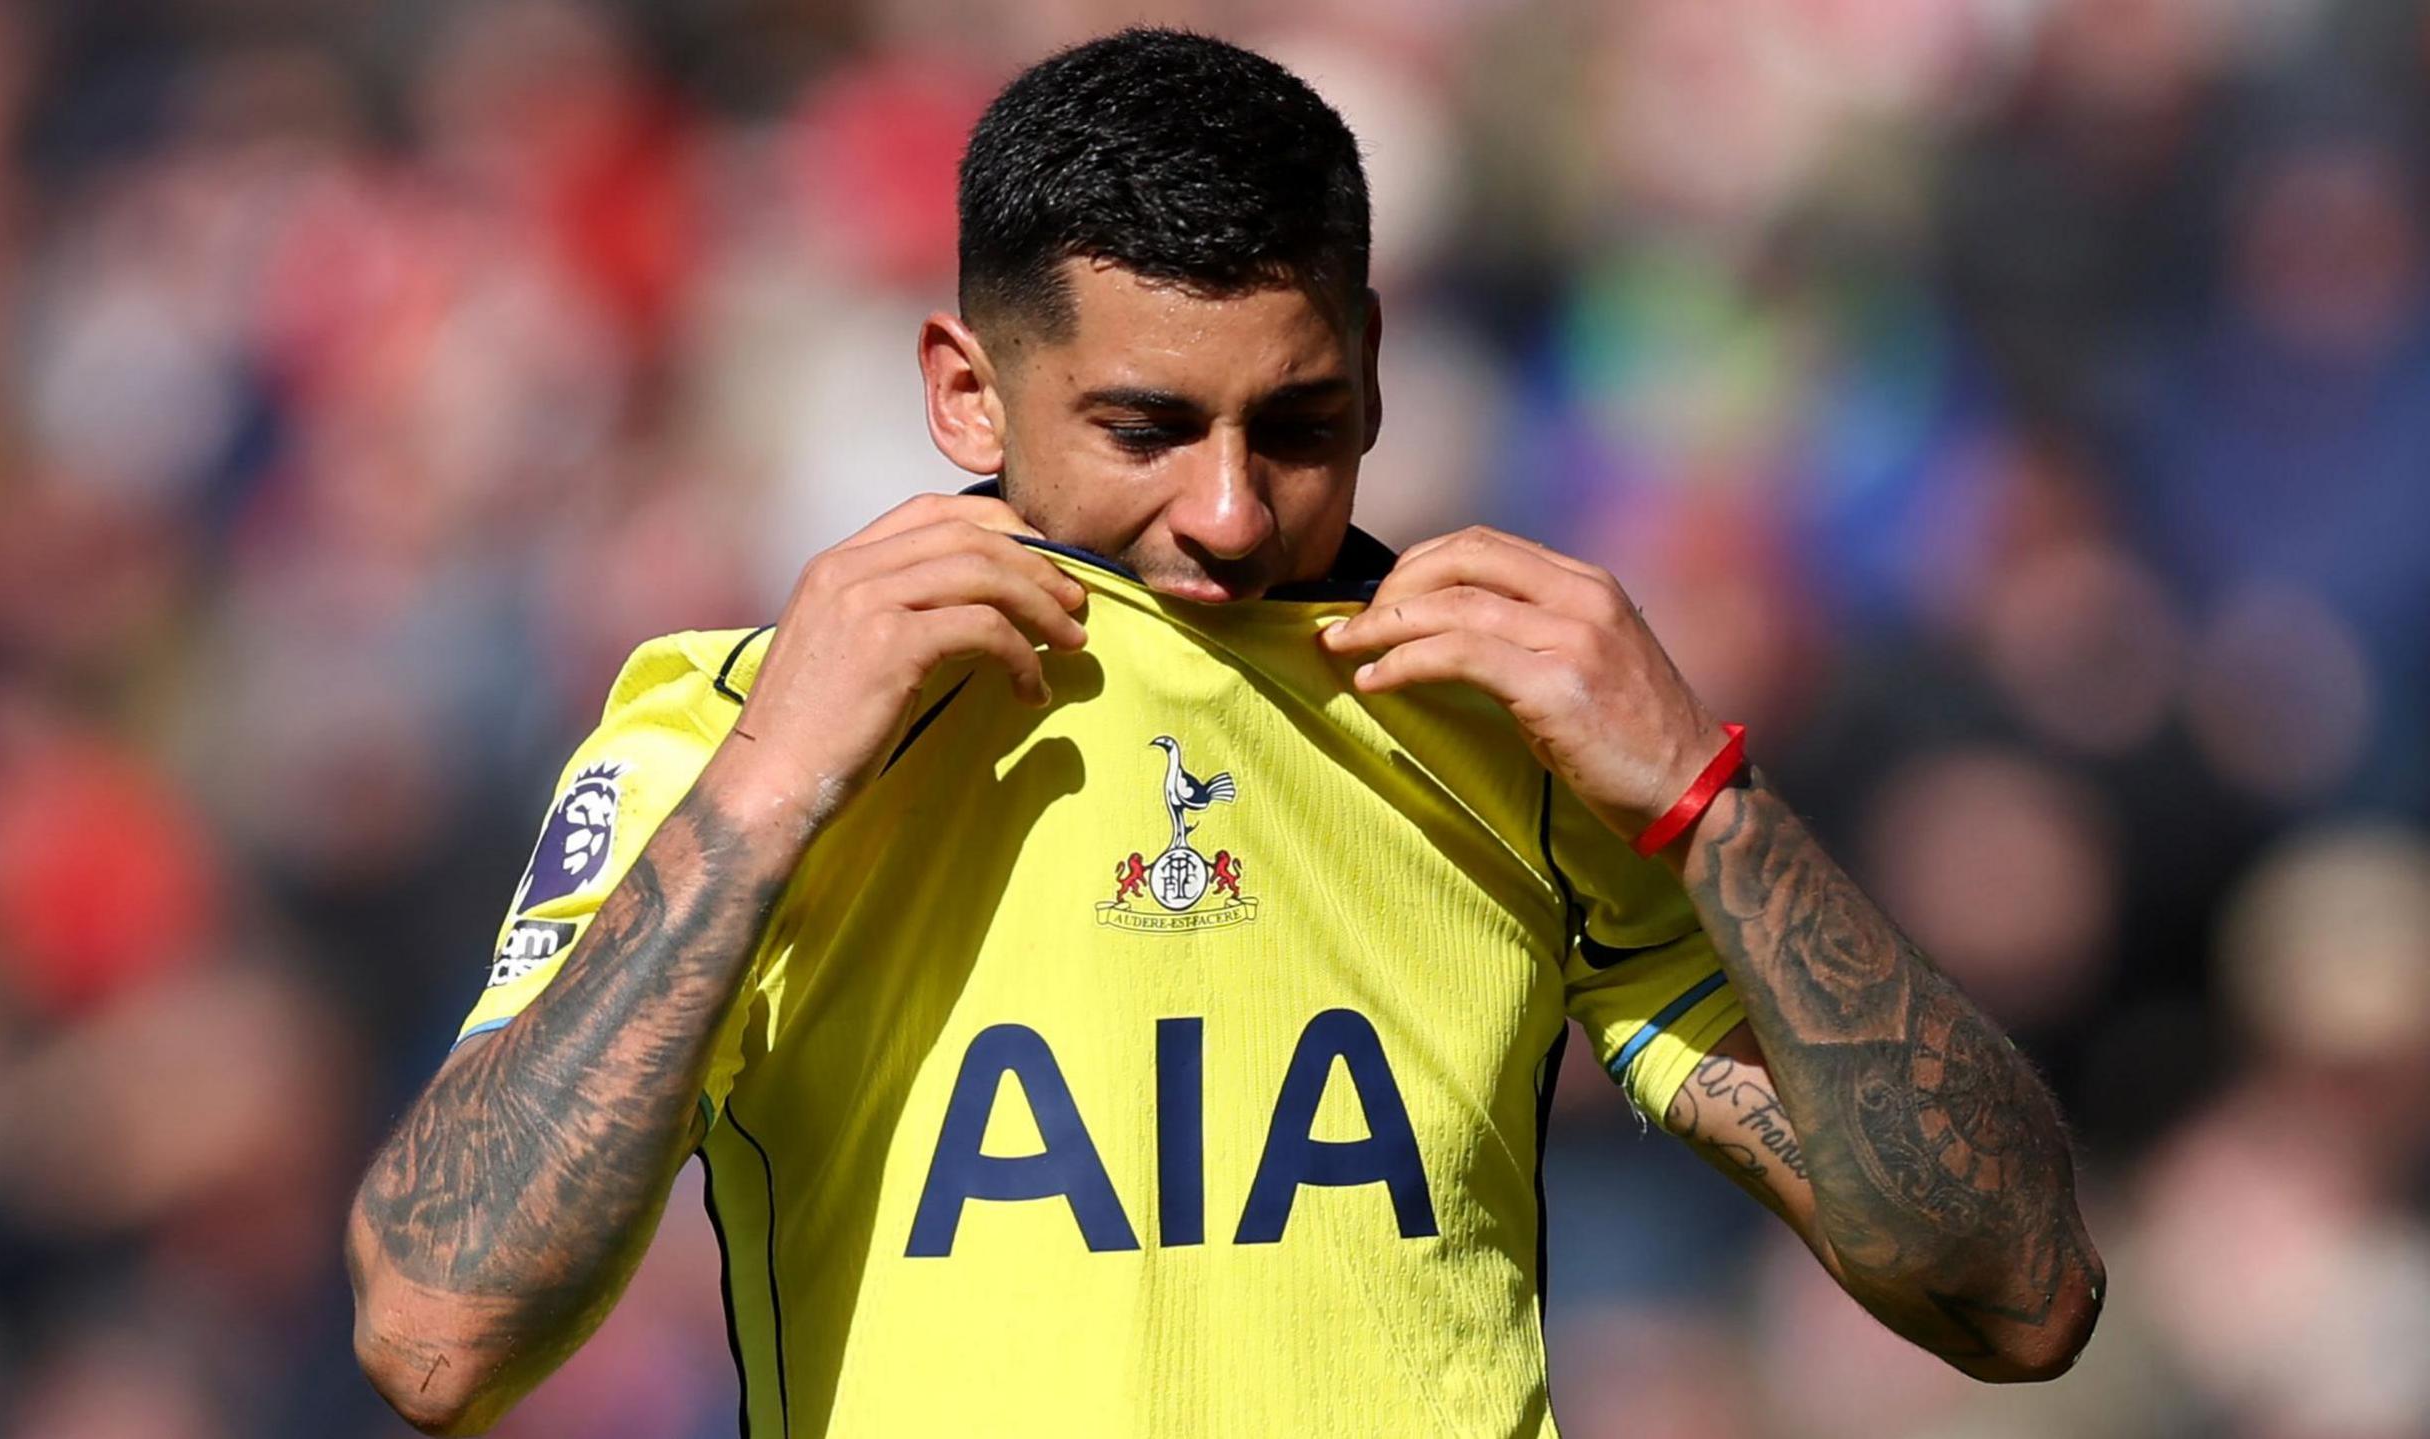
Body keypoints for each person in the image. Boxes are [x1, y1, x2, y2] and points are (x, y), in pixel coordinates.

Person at [347, 27, 2102, 1438]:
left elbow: (2014, 1295)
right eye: (1147, 426)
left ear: (1378, 360)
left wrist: (1711, 808)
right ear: (966, 386)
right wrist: (767, 795)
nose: (1234, 511)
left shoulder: (1502, 723)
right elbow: (438, 1336)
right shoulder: (733, 740)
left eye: (1302, 421)